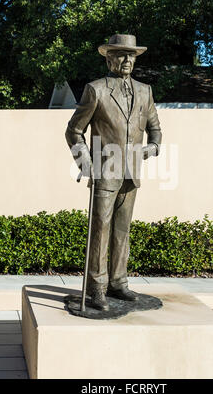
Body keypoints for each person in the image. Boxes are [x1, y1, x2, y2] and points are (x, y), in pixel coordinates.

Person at [65, 34, 162, 311]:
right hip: (104, 171)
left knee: (122, 229)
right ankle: (96, 287)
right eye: (121, 55)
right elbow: (74, 130)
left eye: (131, 55)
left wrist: (153, 147)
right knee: (100, 229)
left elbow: (155, 129)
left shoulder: (145, 91)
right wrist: (86, 162)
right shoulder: (95, 90)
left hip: (132, 171)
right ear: (109, 59)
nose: (127, 60)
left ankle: (118, 283)